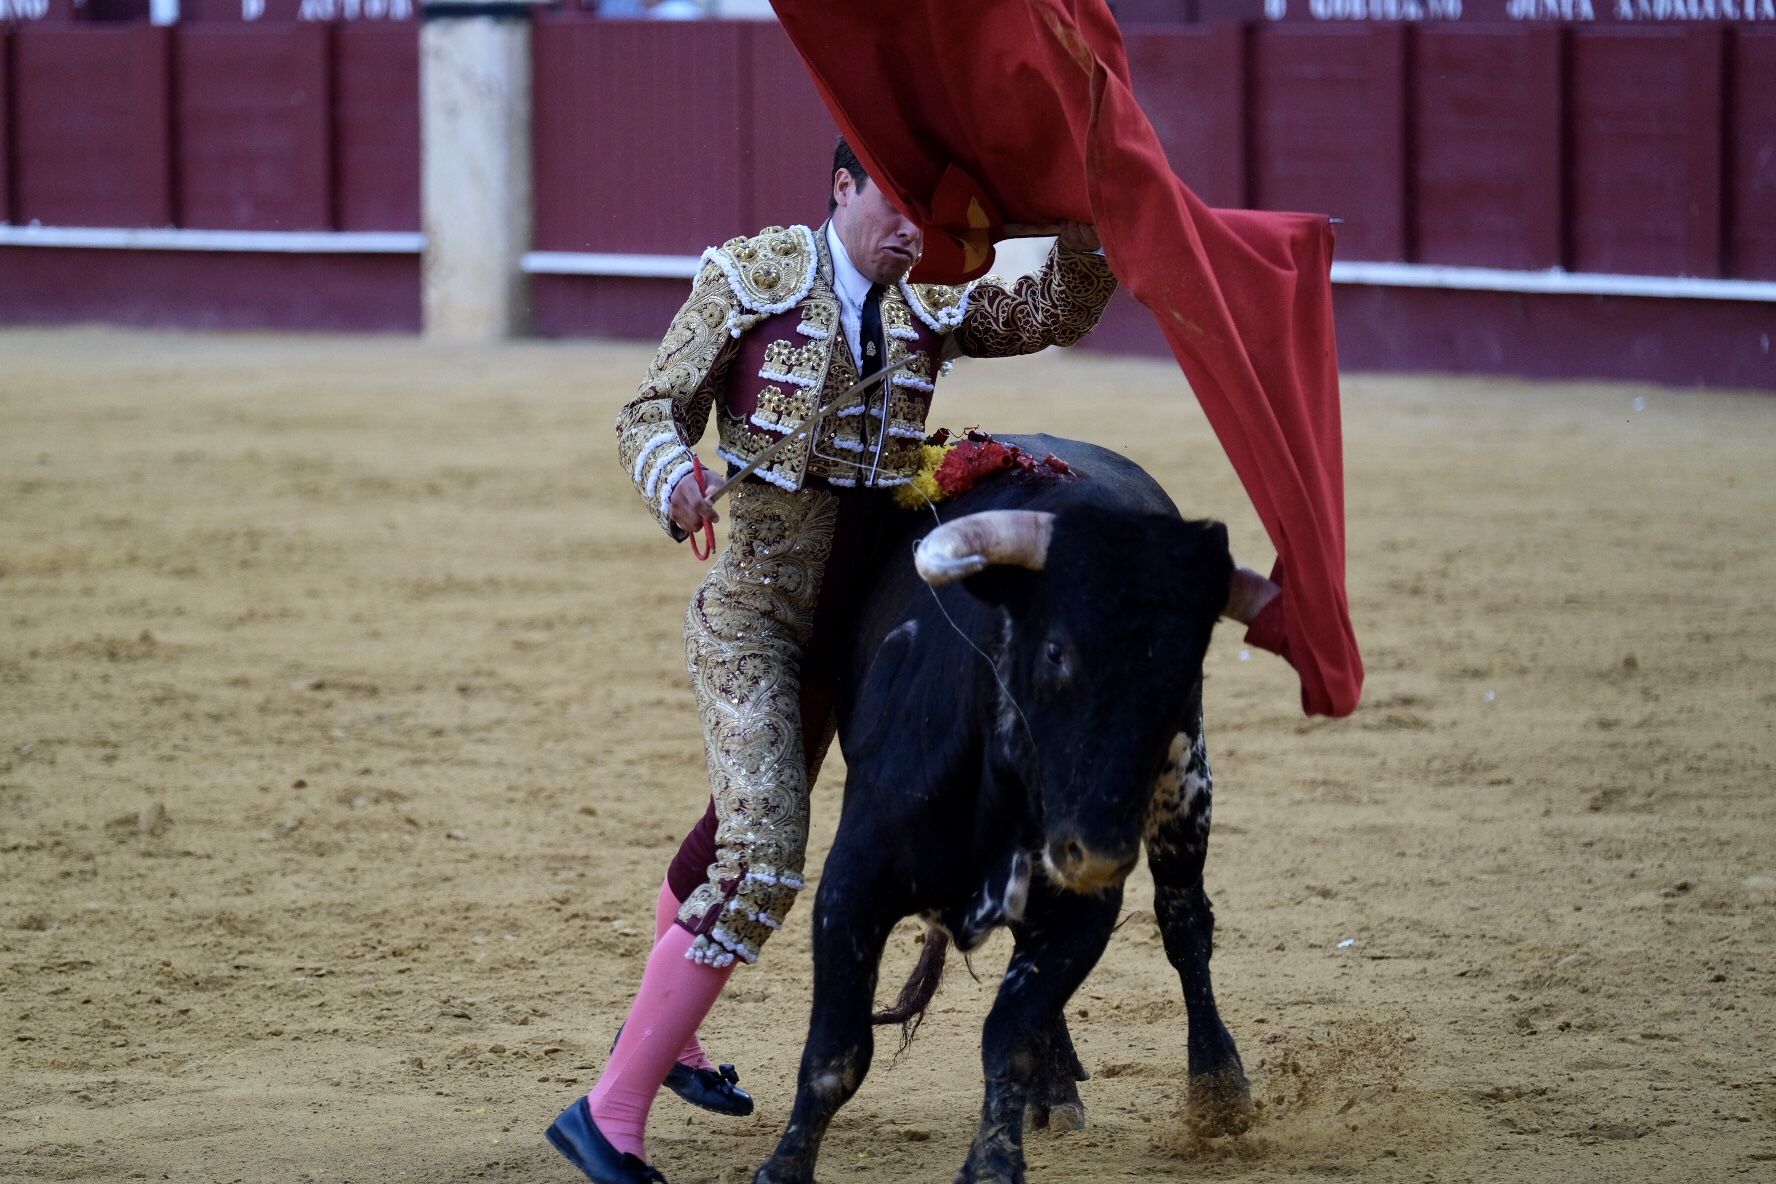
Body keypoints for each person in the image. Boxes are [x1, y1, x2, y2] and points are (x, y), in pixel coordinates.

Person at [546, 138, 1285, 1184]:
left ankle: (680, 1031)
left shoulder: (929, 299)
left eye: (924, 219)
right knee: (761, 857)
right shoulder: (748, 278)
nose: (909, 232)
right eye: (892, 207)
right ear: (840, 187)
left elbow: (1054, 315)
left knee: (734, 825)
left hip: (861, 630)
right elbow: (648, 411)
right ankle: (607, 1115)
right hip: (759, 620)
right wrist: (672, 477)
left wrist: (1082, 216)